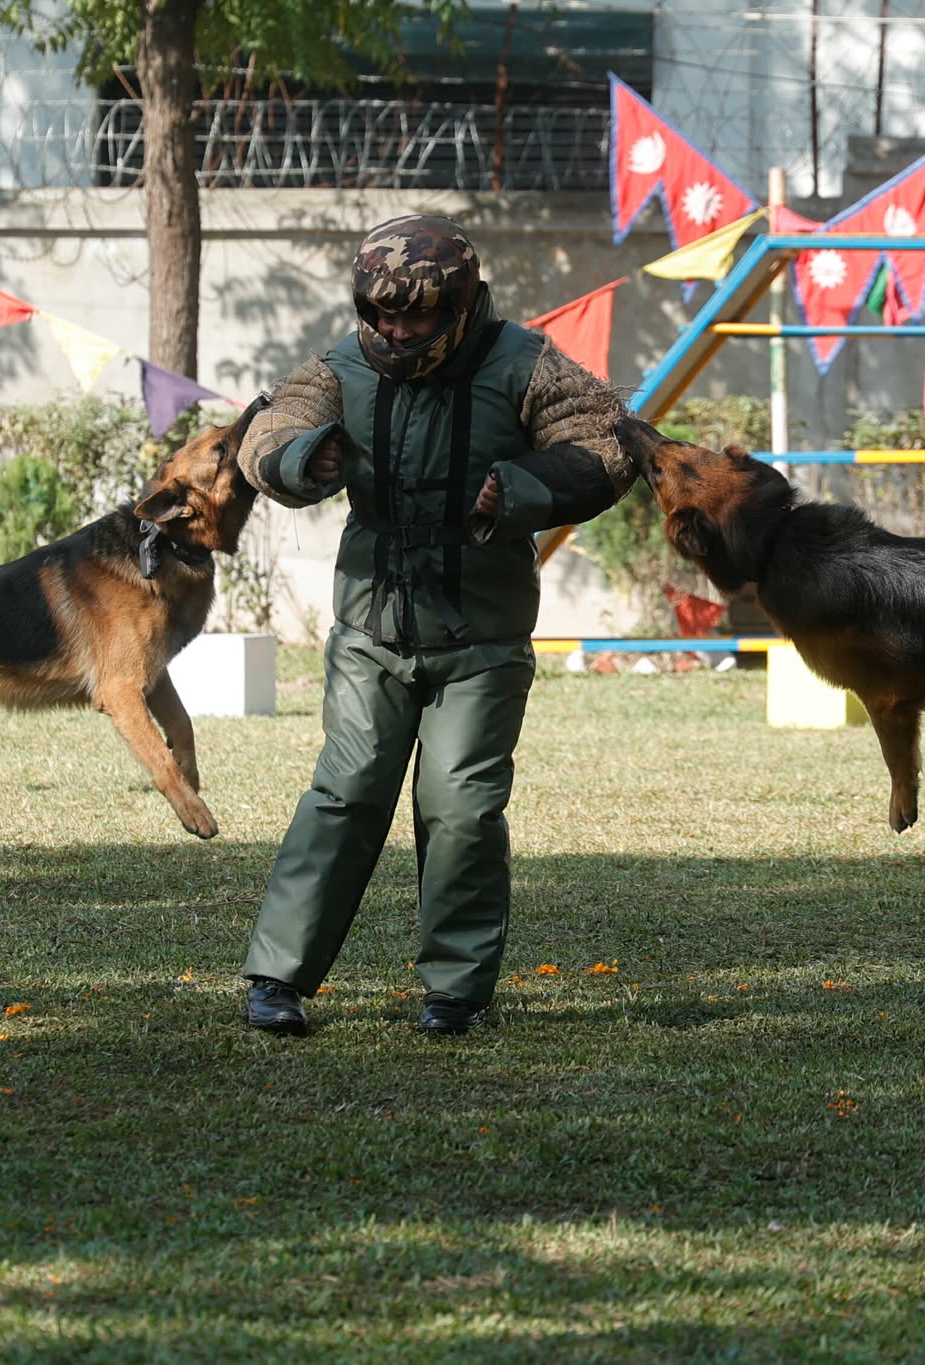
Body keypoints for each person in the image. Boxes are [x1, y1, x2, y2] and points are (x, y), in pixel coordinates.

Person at [235, 214, 634, 1036]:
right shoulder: (342, 366)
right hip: (369, 630)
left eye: (415, 316)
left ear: (460, 305)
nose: (395, 329)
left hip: (482, 639)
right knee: (345, 792)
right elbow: (263, 433)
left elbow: (606, 440)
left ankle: (455, 993)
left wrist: (520, 484)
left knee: (460, 807)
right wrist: (302, 455)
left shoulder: (524, 363)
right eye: (381, 313)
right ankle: (276, 979)